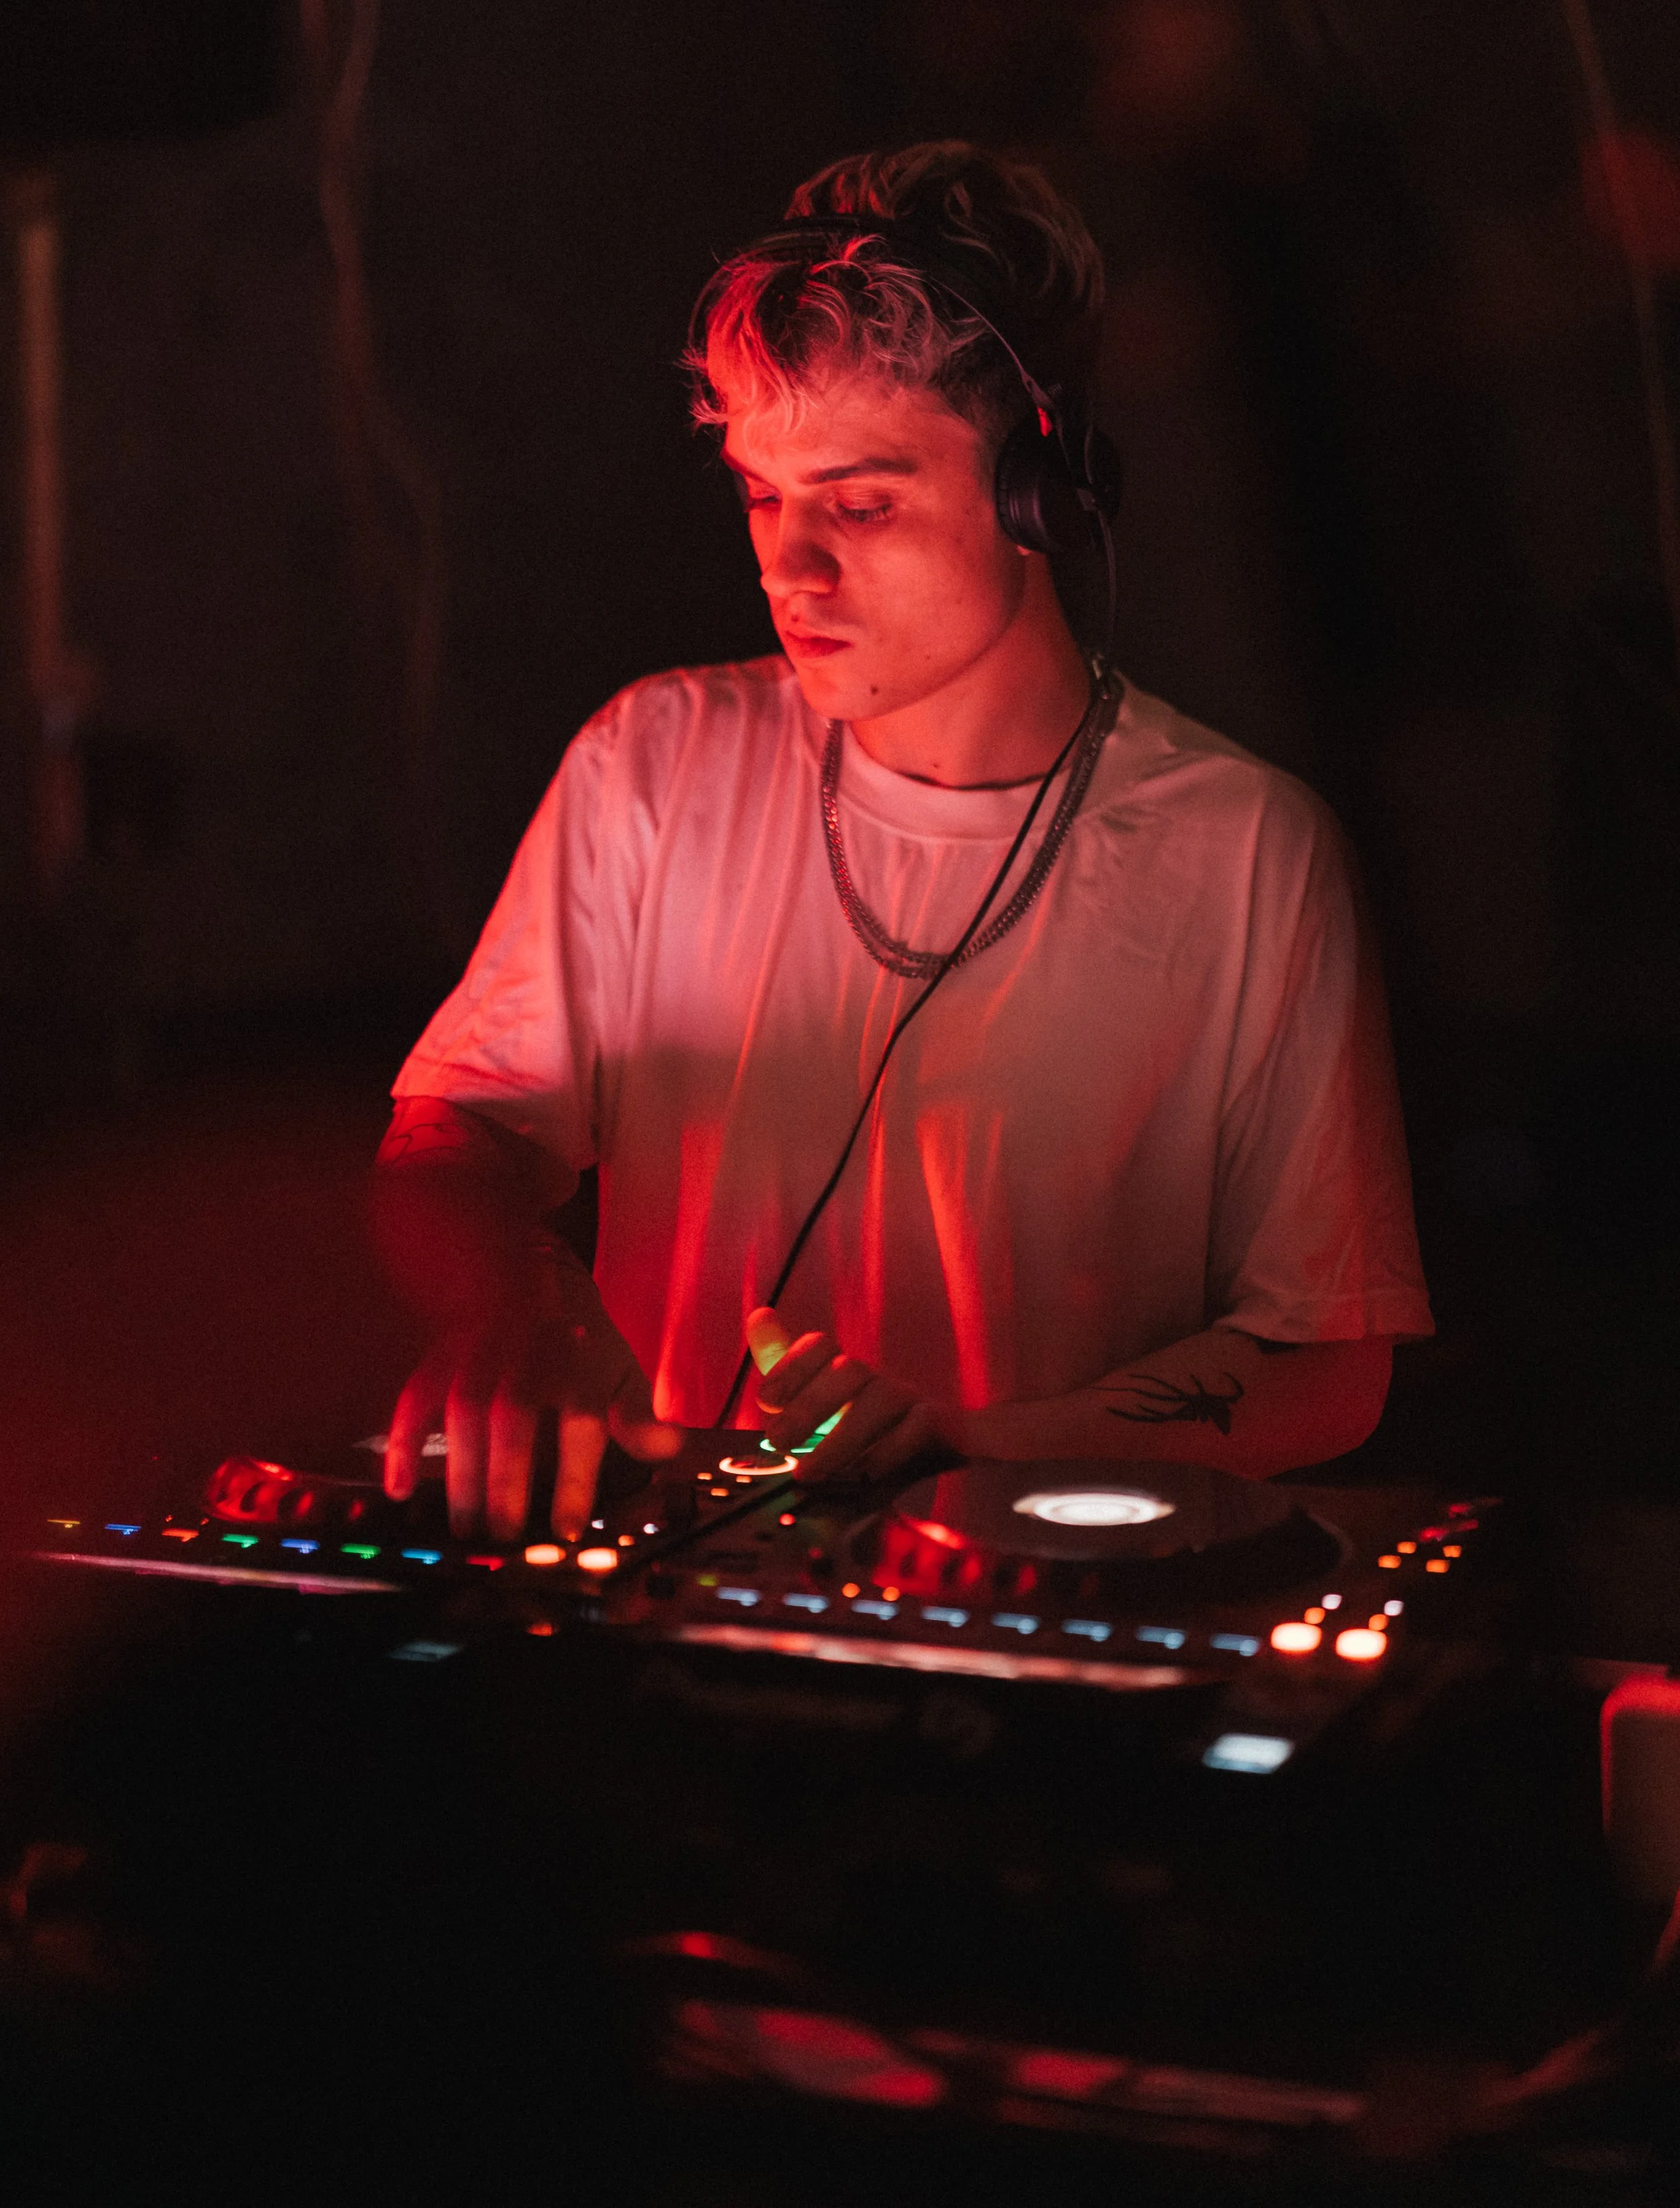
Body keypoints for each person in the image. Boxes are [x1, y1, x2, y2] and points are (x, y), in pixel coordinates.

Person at [371, 141, 1433, 1544]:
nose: (786, 566)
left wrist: (973, 1443)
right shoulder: (649, 764)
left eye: (860, 504)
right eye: (762, 494)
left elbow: (1324, 1364)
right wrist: (523, 1305)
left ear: (1041, 491)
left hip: (1036, 1607)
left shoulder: (1248, 852)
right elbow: (454, 1130)